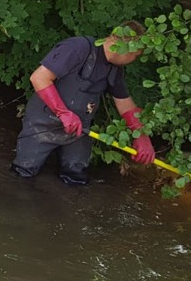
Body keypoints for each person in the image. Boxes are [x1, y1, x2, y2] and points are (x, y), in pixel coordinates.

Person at [10, 21, 156, 186]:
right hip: (43, 123)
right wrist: (63, 113)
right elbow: (39, 78)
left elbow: (126, 105)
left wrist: (142, 136)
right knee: (22, 175)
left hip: (79, 130)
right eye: (136, 55)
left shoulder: (115, 69)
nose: (135, 60)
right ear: (125, 48)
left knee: (76, 178)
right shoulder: (78, 47)